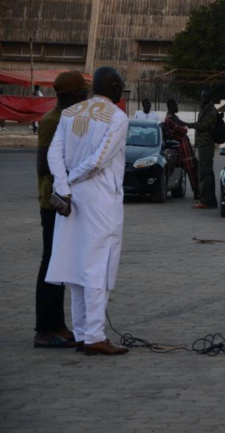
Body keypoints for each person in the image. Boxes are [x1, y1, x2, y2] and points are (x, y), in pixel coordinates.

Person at [46, 66, 130, 356]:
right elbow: (99, 160)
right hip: (99, 201)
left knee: (76, 266)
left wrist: (64, 186)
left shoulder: (70, 114)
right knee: (97, 266)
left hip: (70, 200)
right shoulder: (118, 117)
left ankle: (82, 333)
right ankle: (94, 335)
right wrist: (71, 179)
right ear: (116, 88)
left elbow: (53, 154)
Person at [33, 71, 89, 349]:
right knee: (51, 266)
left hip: (66, 203)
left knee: (61, 266)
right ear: (73, 96)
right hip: (52, 204)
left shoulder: (68, 120)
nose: (86, 98)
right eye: (83, 94)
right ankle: (44, 330)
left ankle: (58, 325)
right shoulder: (52, 121)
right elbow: (43, 167)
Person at [187, 88, 218, 209]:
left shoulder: (210, 111)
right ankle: (209, 199)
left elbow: (203, 125)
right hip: (202, 144)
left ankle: (205, 200)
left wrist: (188, 124)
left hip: (206, 144)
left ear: (209, 98)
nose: (202, 99)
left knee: (204, 172)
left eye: (204, 97)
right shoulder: (205, 109)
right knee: (206, 172)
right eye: (201, 97)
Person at [164, 98, 200, 200]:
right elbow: (183, 130)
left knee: (194, 168)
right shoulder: (169, 119)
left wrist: (185, 125)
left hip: (185, 145)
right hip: (182, 147)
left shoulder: (174, 117)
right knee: (191, 170)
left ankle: (197, 191)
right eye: (176, 105)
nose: (177, 107)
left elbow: (182, 125)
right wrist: (185, 127)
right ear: (171, 107)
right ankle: (196, 192)